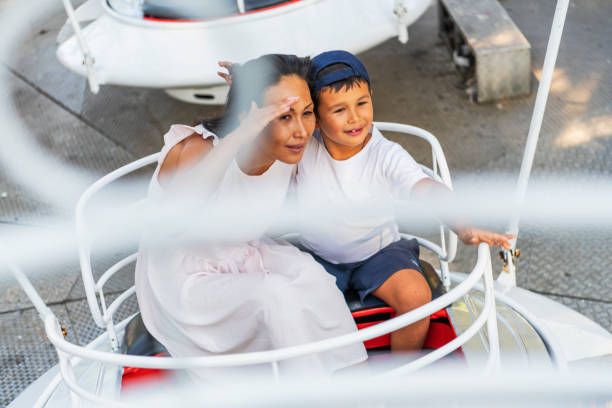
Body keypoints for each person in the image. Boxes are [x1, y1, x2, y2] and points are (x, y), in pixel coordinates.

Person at [135, 54, 367, 381]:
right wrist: (238, 137)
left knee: (312, 277)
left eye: (307, 113)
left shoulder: (289, 145)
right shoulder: (198, 149)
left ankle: (356, 383)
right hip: (184, 276)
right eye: (284, 116)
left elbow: (350, 121)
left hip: (243, 252)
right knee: (274, 294)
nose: (300, 130)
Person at [292, 50, 514, 352]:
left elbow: (425, 187)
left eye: (362, 103)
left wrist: (463, 227)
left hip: (379, 252)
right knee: (291, 304)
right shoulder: (302, 147)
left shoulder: (385, 153)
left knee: (415, 295)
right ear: (314, 119)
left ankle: (402, 368)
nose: (356, 117)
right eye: (339, 110)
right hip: (318, 255)